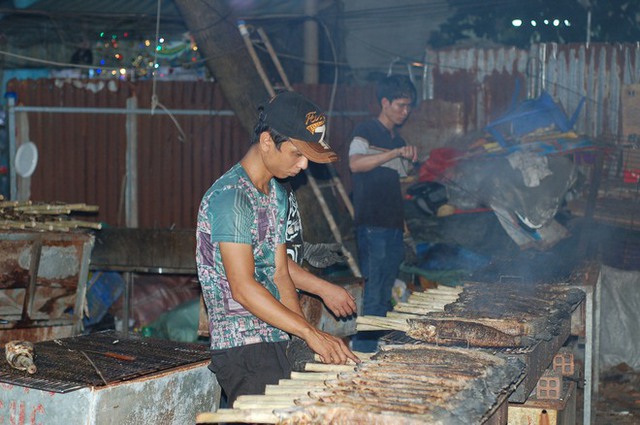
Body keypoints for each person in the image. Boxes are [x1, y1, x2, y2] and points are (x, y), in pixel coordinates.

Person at [196, 91, 359, 406]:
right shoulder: (232, 198)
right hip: (242, 346)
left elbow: (280, 272)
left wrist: (299, 337)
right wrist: (311, 334)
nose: (303, 166)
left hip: (275, 334)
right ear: (268, 141)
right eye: (297, 154)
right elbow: (242, 288)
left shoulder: (276, 195)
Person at [348, 75, 418, 352]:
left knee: (386, 287)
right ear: (385, 102)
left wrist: (410, 162)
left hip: (392, 224)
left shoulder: (396, 138)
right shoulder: (365, 130)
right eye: (401, 105)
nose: (405, 112)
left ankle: (373, 344)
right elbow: (355, 164)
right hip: (372, 223)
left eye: (409, 106)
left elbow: (399, 180)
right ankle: (362, 348)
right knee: (374, 289)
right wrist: (392, 154)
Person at [283, 182, 357, 319]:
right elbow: (273, 263)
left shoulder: (285, 188)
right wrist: (324, 289)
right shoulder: (260, 193)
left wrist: (305, 255)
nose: (304, 165)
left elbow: (283, 244)